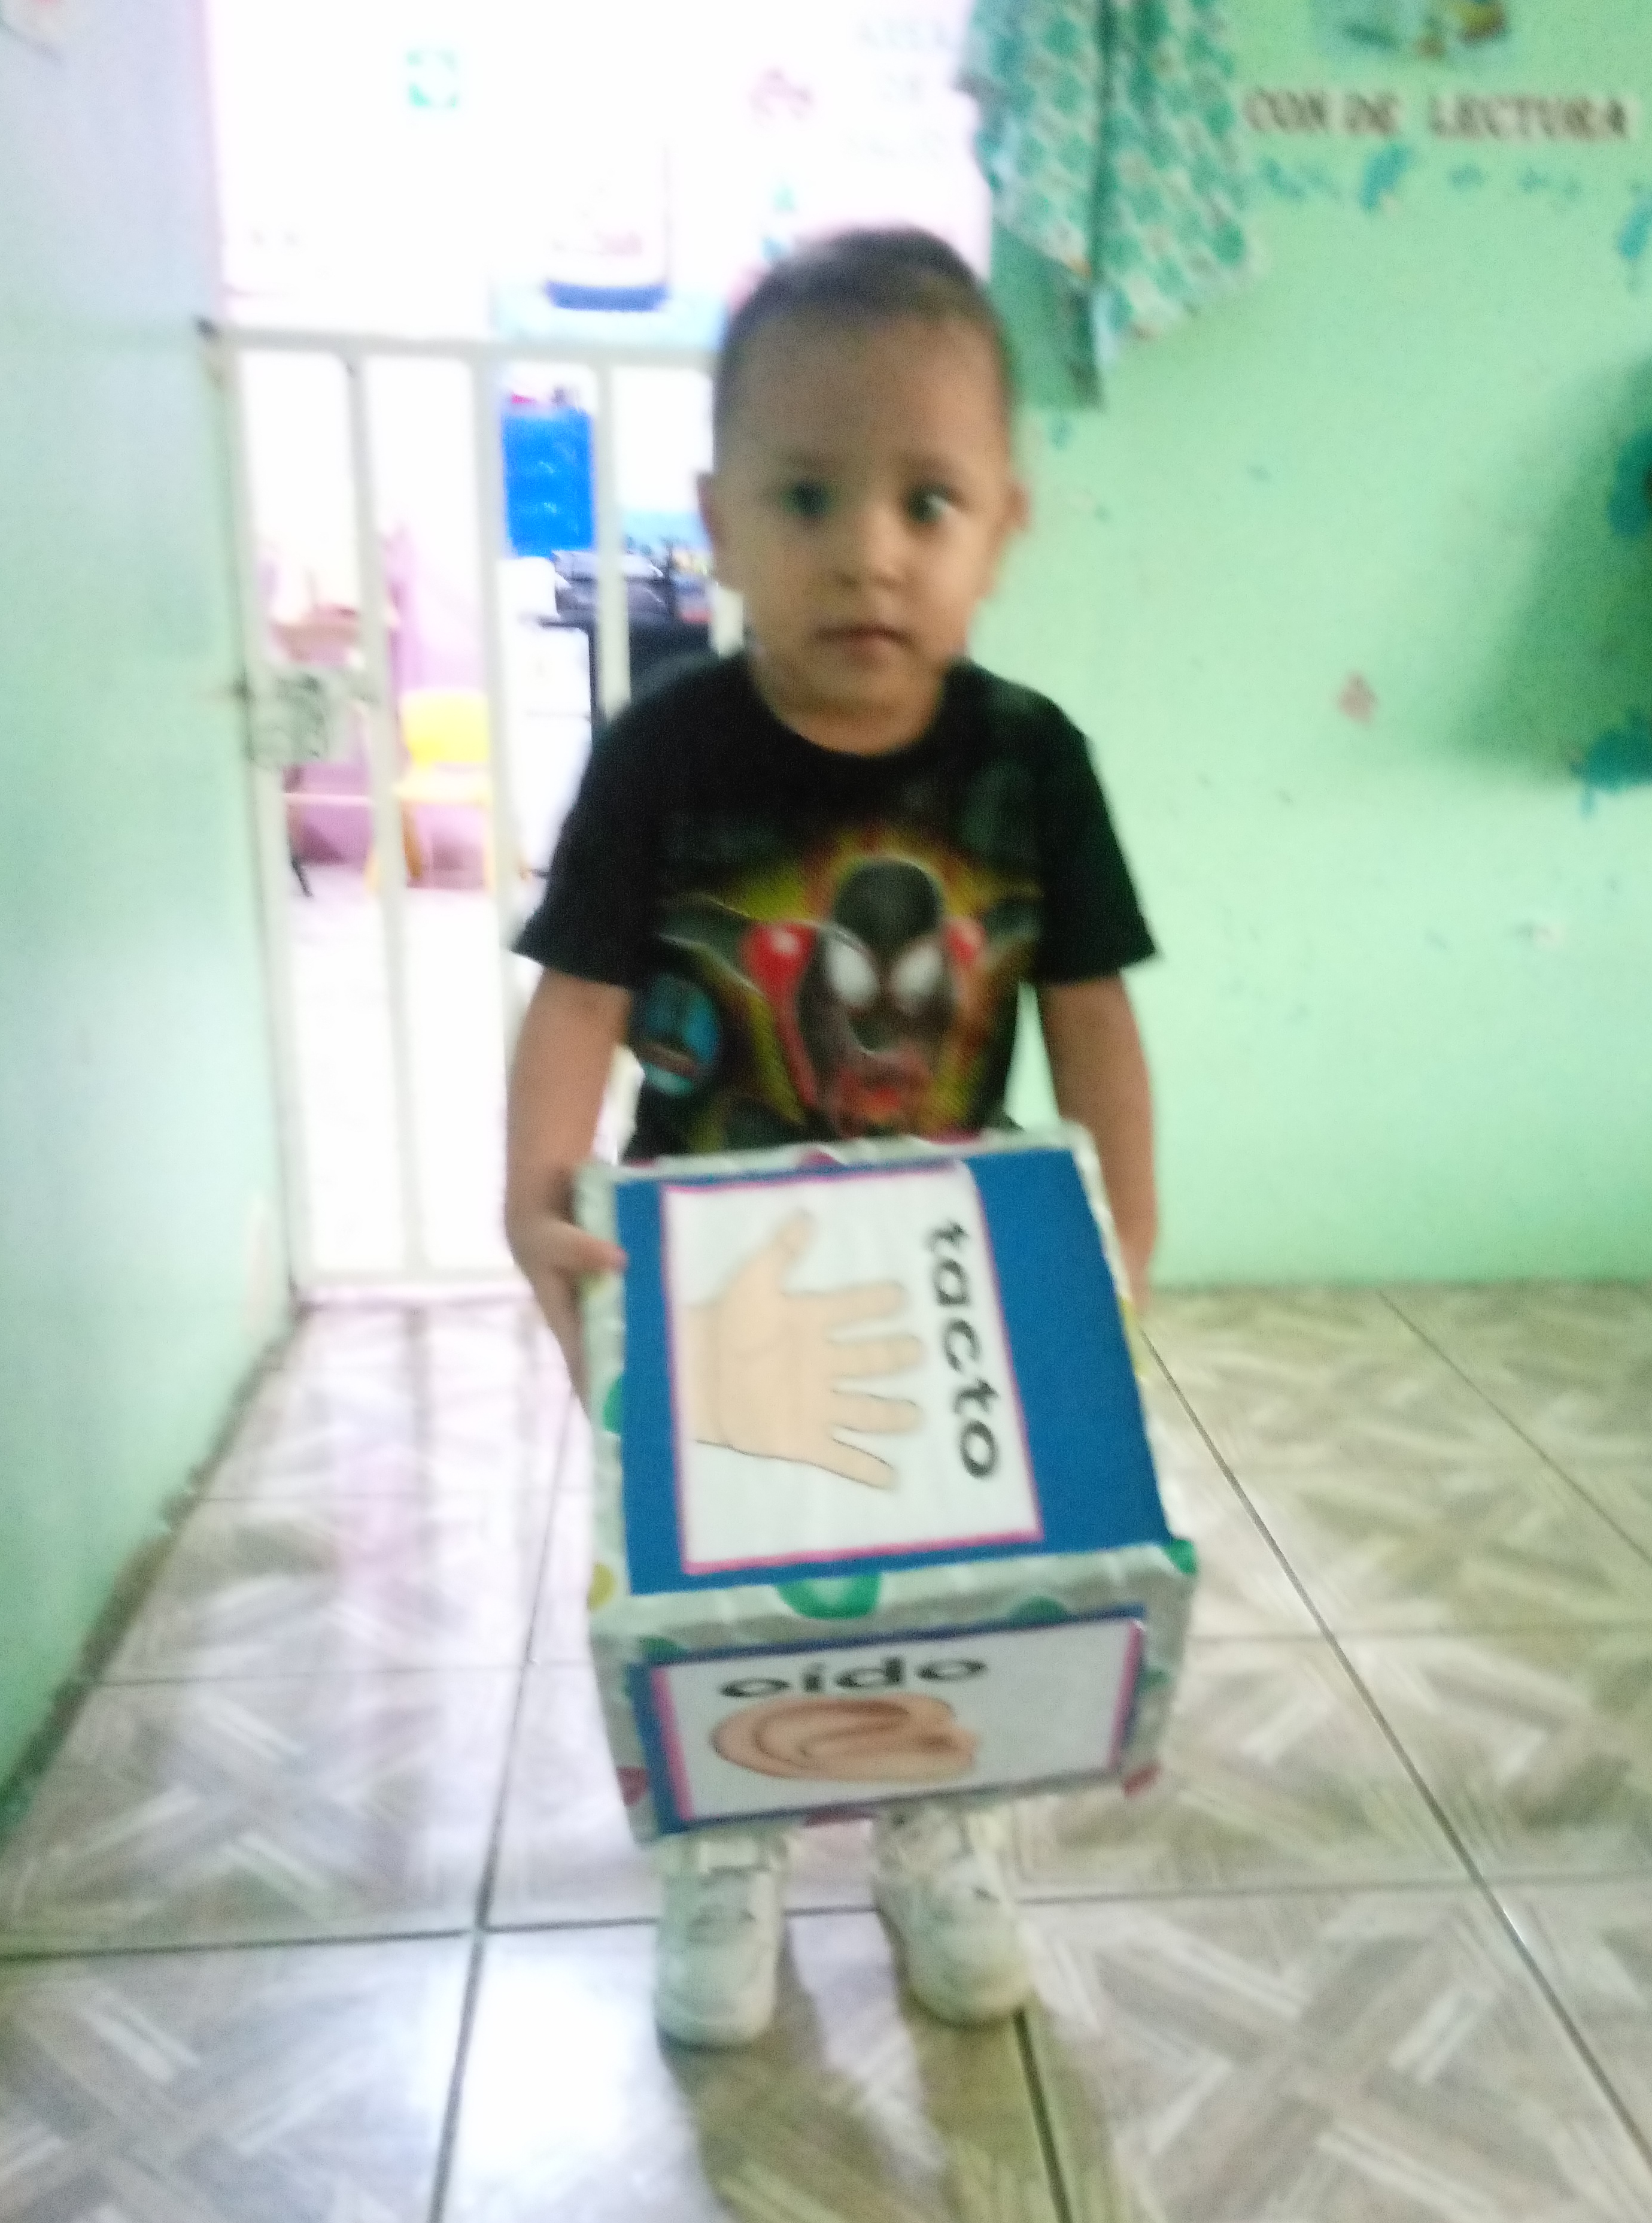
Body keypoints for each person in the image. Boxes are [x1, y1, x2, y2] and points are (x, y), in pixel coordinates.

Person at [505, 227, 1158, 2048]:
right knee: (722, 1581)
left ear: (1001, 527)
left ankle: (941, 1824)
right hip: (713, 1276)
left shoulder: (1033, 762)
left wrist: (1120, 1241)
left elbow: (1094, 1013)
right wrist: (533, 1202)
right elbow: (577, 999)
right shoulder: (661, 754)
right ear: (721, 524)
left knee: (950, 1576)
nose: (869, 548)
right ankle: (728, 1841)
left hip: (953, 1265)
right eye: (808, 496)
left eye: (926, 501)